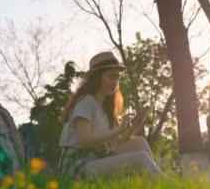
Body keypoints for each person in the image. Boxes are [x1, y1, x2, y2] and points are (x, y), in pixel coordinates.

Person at [57, 51, 165, 179]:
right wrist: (118, 130)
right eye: (110, 76)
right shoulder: (86, 102)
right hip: (77, 166)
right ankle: (170, 188)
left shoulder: (108, 109)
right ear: (97, 78)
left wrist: (132, 128)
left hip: (97, 160)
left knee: (139, 142)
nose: (115, 82)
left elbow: (115, 143)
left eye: (117, 77)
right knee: (139, 159)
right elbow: (84, 140)